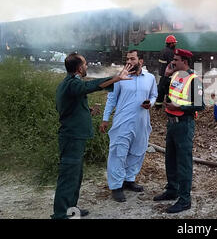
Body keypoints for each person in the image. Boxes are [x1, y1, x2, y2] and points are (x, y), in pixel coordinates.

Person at [52, 53, 132, 219]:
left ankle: (71, 209)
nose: (87, 67)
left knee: (75, 175)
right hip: (71, 138)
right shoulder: (73, 84)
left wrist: (87, 111)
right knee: (69, 176)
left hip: (75, 137)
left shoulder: (69, 84)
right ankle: (61, 214)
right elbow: (91, 86)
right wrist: (116, 78)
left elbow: (68, 106)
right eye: (86, 64)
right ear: (80, 68)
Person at [100, 50, 158, 202]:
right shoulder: (120, 78)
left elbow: (154, 95)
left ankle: (129, 180)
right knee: (118, 152)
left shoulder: (150, 78)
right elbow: (111, 99)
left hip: (142, 121)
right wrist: (105, 119)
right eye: (127, 59)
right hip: (122, 122)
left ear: (141, 61)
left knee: (137, 151)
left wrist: (150, 103)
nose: (129, 62)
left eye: (133, 59)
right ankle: (116, 186)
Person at [153, 49, 205, 213]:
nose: (172, 61)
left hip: (184, 125)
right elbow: (161, 93)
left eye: (176, 59)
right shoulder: (175, 76)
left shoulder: (194, 80)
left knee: (183, 163)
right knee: (170, 159)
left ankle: (184, 200)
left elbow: (200, 106)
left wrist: (179, 107)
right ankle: (172, 190)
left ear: (185, 62)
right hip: (172, 125)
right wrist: (166, 75)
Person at [155, 35, 177, 109]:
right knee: (169, 92)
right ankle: (169, 107)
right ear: (171, 44)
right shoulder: (170, 52)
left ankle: (158, 106)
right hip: (168, 76)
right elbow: (172, 64)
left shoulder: (163, 50)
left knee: (161, 91)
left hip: (162, 75)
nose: (175, 44)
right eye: (174, 43)